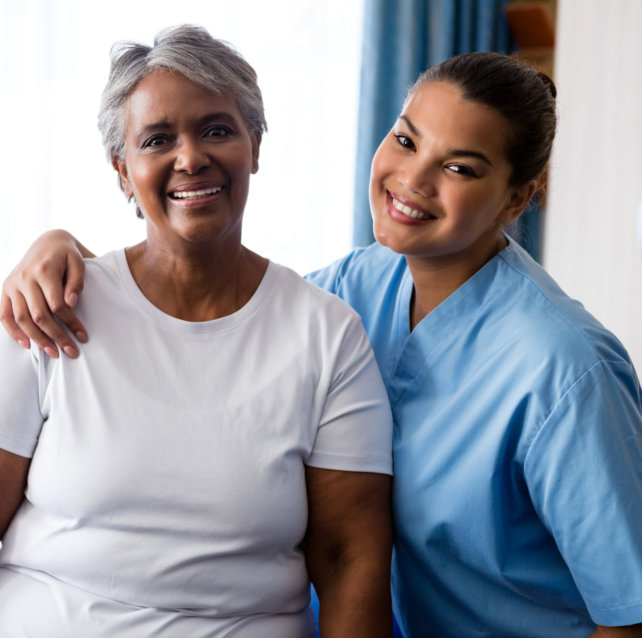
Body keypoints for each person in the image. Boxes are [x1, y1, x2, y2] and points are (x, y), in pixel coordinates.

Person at [3, 50, 642, 638]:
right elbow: (201, 315)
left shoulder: (566, 372)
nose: (412, 180)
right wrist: (62, 253)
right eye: (405, 140)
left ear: (518, 198)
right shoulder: (355, 287)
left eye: (458, 167)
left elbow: (631, 612)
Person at [0, 25, 394, 637]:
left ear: (255, 146)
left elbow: (349, 557)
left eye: (217, 129)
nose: (190, 157)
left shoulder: (327, 334)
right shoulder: (50, 309)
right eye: (158, 139)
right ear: (123, 170)